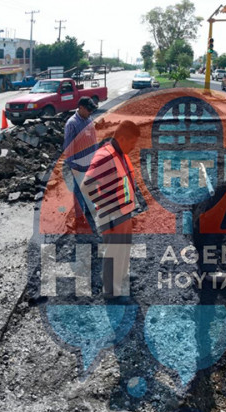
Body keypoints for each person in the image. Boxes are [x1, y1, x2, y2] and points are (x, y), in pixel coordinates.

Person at [81, 120, 141, 299]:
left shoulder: (120, 153)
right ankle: (111, 292)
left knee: (123, 249)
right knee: (113, 253)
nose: (133, 147)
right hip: (112, 214)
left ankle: (121, 279)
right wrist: (106, 210)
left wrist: (131, 209)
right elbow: (86, 186)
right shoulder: (105, 156)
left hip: (123, 212)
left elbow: (125, 182)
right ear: (121, 138)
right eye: (131, 142)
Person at [63, 97, 99, 228]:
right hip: (78, 164)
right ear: (81, 108)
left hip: (90, 162)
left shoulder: (89, 120)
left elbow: (93, 139)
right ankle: (79, 216)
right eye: (88, 109)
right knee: (78, 191)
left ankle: (89, 211)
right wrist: (72, 164)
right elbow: (68, 146)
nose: (90, 112)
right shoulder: (72, 124)